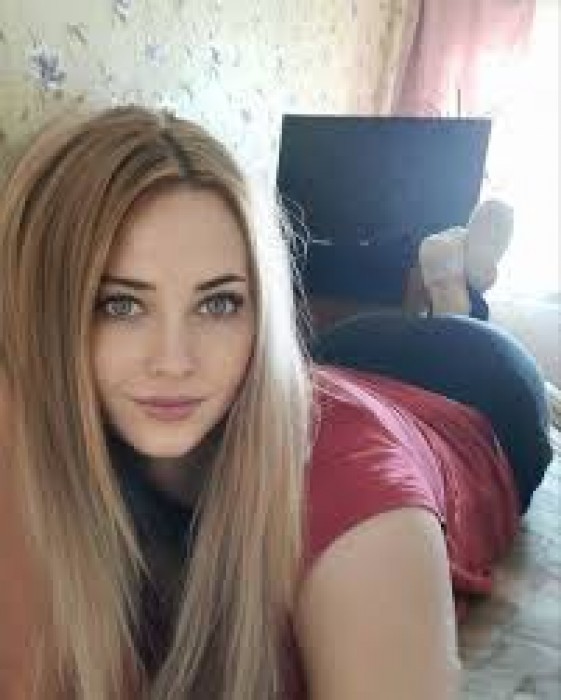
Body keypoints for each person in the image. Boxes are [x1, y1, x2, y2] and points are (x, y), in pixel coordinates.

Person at [0, 105, 552, 700]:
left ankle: (460, 289)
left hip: (474, 387)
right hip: (340, 358)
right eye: (121, 305)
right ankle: (438, 288)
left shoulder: (358, 490)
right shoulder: (41, 403)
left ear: (259, 311)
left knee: (462, 327)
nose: (174, 361)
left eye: (218, 303)